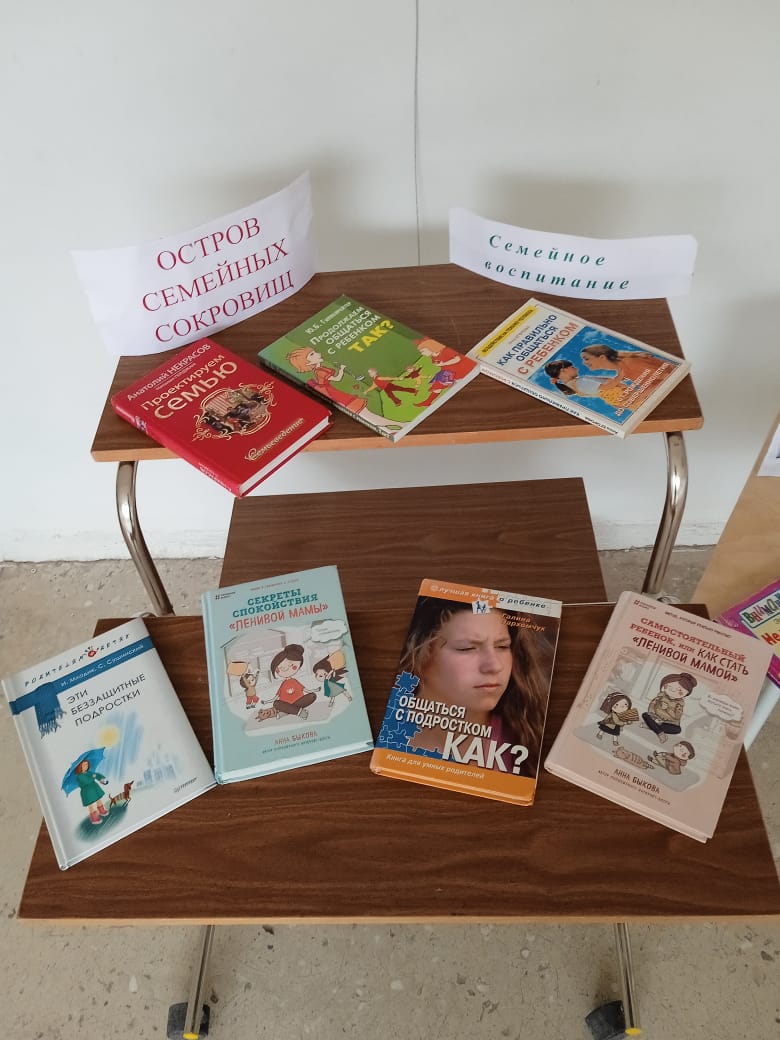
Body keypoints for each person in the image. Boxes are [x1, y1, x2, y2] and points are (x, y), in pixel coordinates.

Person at [398, 597, 554, 777]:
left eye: (502, 646)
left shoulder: (529, 741)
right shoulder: (389, 731)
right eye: (466, 648)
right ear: (417, 654)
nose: (495, 666)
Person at [641, 672, 697, 743]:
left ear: (685, 694)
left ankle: (651, 727)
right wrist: (653, 716)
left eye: (679, 691)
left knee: (677, 730)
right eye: (670, 687)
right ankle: (659, 732)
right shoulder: (660, 696)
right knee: (645, 715)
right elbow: (652, 706)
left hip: (667, 722)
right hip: (655, 718)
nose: (673, 691)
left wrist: (667, 709)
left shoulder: (679, 704)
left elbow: (676, 717)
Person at [269, 644, 317, 721]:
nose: (285, 669)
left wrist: (313, 690)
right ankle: (298, 711)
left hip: (298, 701)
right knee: (276, 703)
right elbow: (277, 696)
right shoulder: (283, 683)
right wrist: (268, 701)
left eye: (291, 666)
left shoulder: (295, 681)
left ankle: (286, 712)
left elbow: (305, 689)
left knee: (312, 696)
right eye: (280, 668)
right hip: (285, 703)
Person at [544, 359, 610, 398]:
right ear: (563, 370)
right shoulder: (581, 382)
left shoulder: (575, 388)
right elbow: (607, 387)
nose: (576, 369)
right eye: (572, 367)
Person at [73, 758, 110, 825]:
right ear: (79, 766)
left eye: (87, 764)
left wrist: (102, 779)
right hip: (87, 792)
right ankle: (94, 817)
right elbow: (87, 781)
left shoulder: (89, 772)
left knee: (99, 800)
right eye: (84, 765)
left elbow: (96, 775)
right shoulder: (79, 776)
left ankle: (101, 810)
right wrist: (93, 777)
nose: (86, 766)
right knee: (90, 805)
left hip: (94, 789)